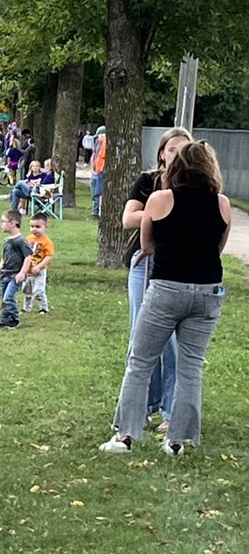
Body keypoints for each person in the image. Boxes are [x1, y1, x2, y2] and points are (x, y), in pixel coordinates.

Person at [100, 140, 231, 457]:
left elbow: (147, 243)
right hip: (208, 291)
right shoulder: (222, 203)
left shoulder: (160, 199)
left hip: (167, 288)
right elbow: (219, 246)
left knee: (140, 362)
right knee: (191, 367)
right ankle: (177, 441)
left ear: (176, 166)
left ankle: (125, 436)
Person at [119, 126, 192, 430]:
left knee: (173, 339)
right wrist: (161, 212)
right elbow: (128, 218)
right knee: (141, 334)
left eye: (184, 149)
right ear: (162, 153)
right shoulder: (148, 181)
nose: (177, 155)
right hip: (144, 262)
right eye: (172, 149)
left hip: (178, 264)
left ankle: (170, 410)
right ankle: (143, 404)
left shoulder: (195, 184)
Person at [0, 210, 33, 329]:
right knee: (3, 298)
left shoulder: (21, 241)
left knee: (8, 297)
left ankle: (14, 319)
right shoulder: (7, 240)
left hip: (15, 275)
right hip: (5, 274)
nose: (1, 224)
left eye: (3, 221)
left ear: (13, 223)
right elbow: (4, 257)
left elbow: (28, 257)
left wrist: (22, 273)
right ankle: (5, 320)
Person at [23, 215, 54, 314]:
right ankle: (26, 308)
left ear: (45, 227)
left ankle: (43, 308)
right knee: (27, 290)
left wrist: (39, 266)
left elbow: (49, 255)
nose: (34, 229)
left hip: (40, 270)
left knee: (39, 290)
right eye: (32, 226)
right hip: (28, 270)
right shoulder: (27, 239)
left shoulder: (47, 241)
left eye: (38, 227)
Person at [90, 125, 107, 217]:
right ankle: (95, 210)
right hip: (96, 170)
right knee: (94, 190)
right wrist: (92, 166)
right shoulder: (98, 143)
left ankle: (97, 211)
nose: (97, 139)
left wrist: (100, 169)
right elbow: (94, 155)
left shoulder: (106, 144)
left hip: (101, 171)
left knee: (99, 191)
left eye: (98, 137)